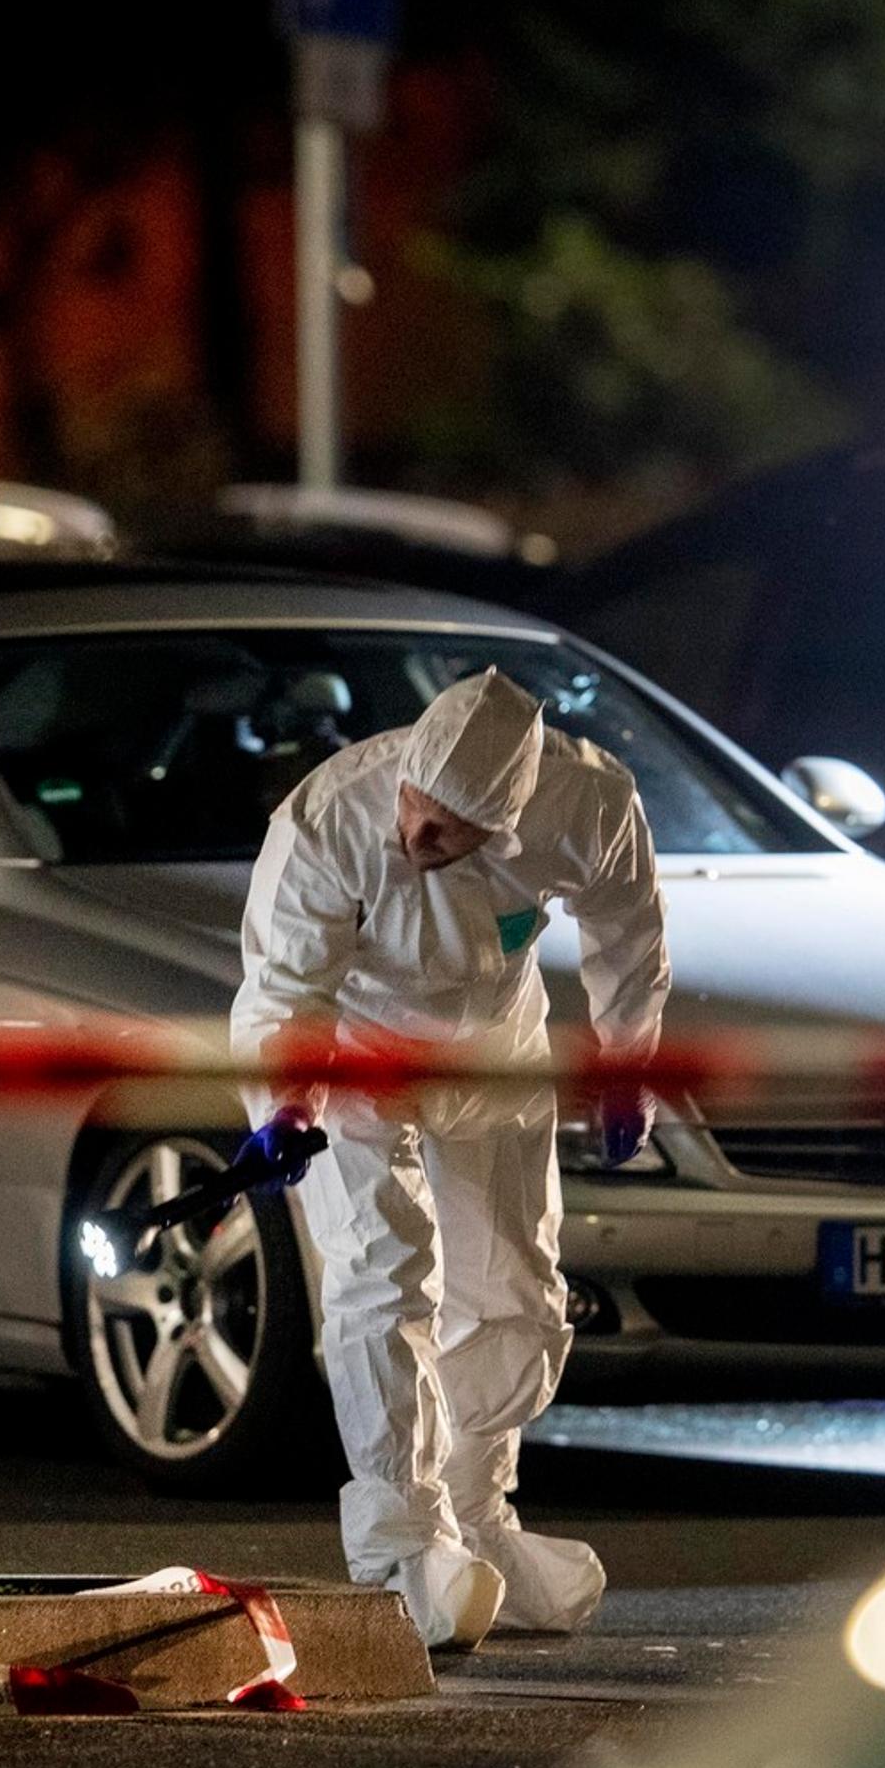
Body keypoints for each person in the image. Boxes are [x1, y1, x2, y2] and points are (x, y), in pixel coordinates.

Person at [230, 668, 670, 1649]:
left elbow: (629, 936)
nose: (415, 840)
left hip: (494, 1055)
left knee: (515, 1292)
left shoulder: (590, 807)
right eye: (415, 814)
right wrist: (285, 1101)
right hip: (353, 1058)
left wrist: (622, 1070)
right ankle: (403, 1543)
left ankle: (475, 1515)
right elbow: (284, 982)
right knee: (383, 1282)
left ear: (504, 827)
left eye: (447, 833)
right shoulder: (333, 818)